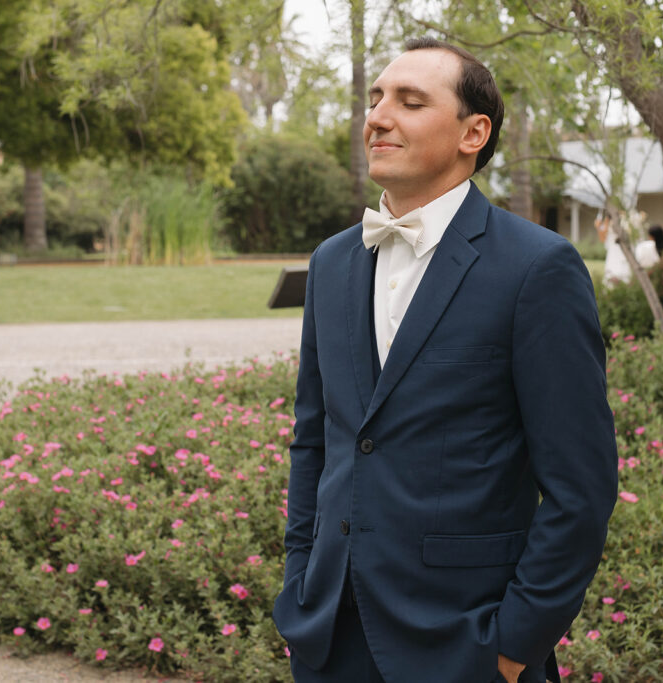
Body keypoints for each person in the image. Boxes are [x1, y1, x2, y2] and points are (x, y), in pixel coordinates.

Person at [272, 38, 618, 683]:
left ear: (473, 132)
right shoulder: (331, 263)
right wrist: (300, 585)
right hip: (327, 637)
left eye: (409, 101)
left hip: (469, 640)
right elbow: (314, 441)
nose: (377, 116)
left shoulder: (537, 268)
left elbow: (582, 487)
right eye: (375, 99)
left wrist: (514, 646)